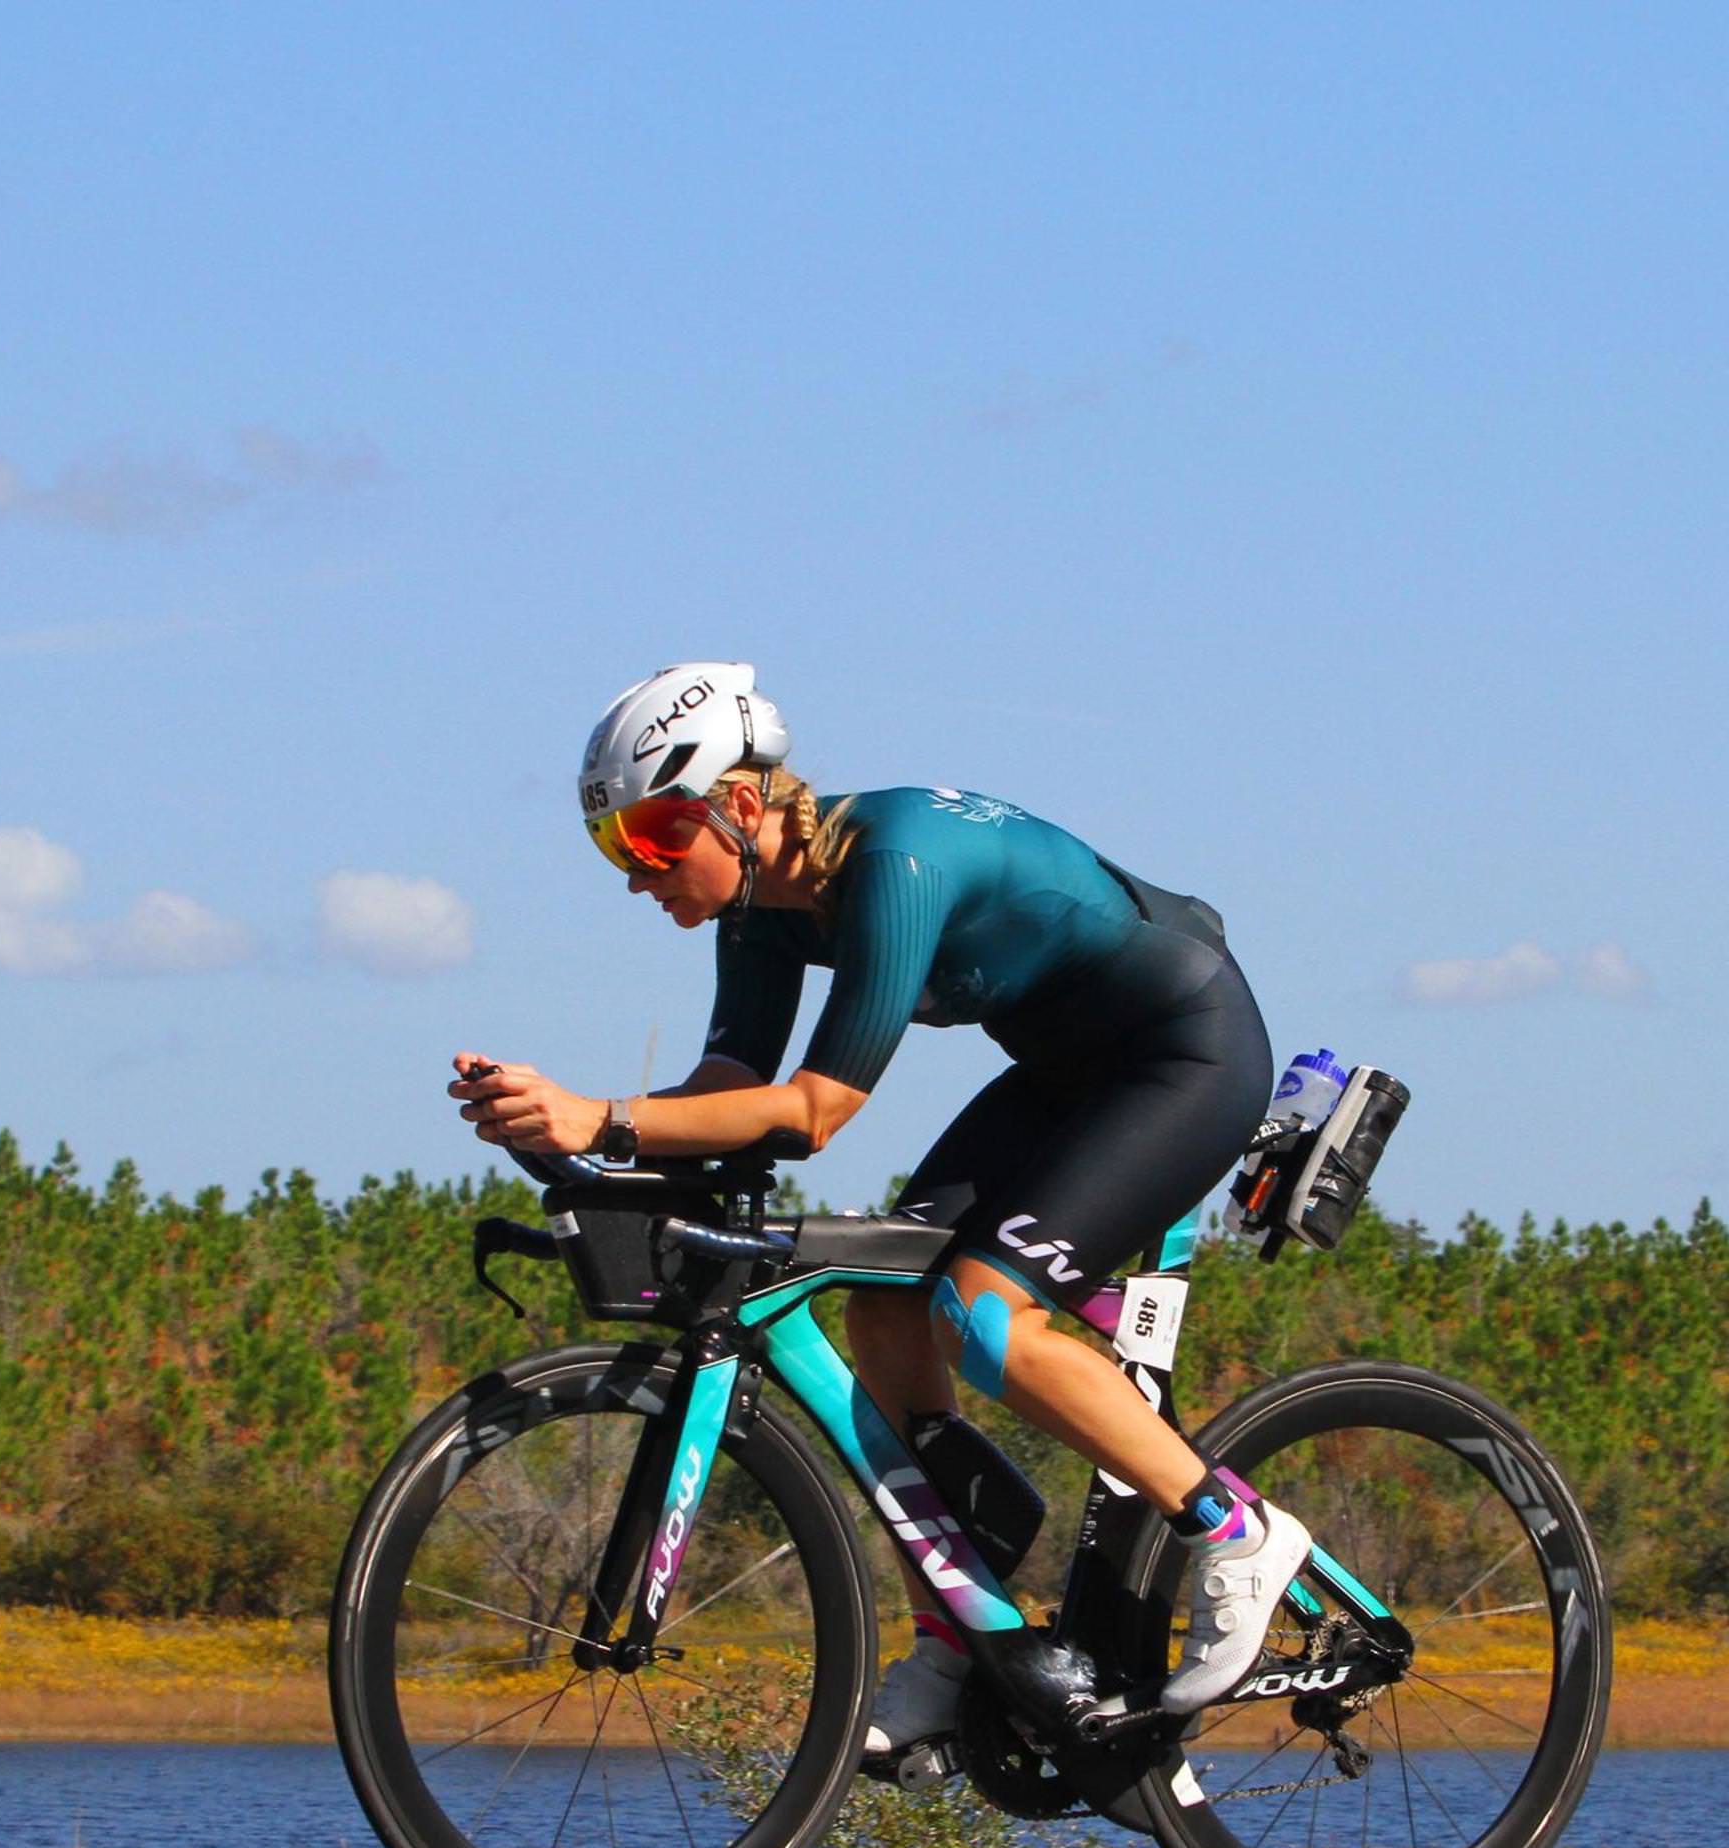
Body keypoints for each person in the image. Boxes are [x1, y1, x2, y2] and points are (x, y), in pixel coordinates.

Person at [450, 661, 1306, 1772]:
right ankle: (955, 1639)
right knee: (887, 1304)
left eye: (654, 836)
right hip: (1064, 1073)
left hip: (1183, 1054)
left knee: (985, 1318)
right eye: (616, 846)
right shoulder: (758, 915)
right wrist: (559, 1128)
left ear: (741, 803)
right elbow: (725, 1093)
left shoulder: (894, 861)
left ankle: (1236, 1529)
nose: (637, 873)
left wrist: (601, 1118)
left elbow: (813, 1112)